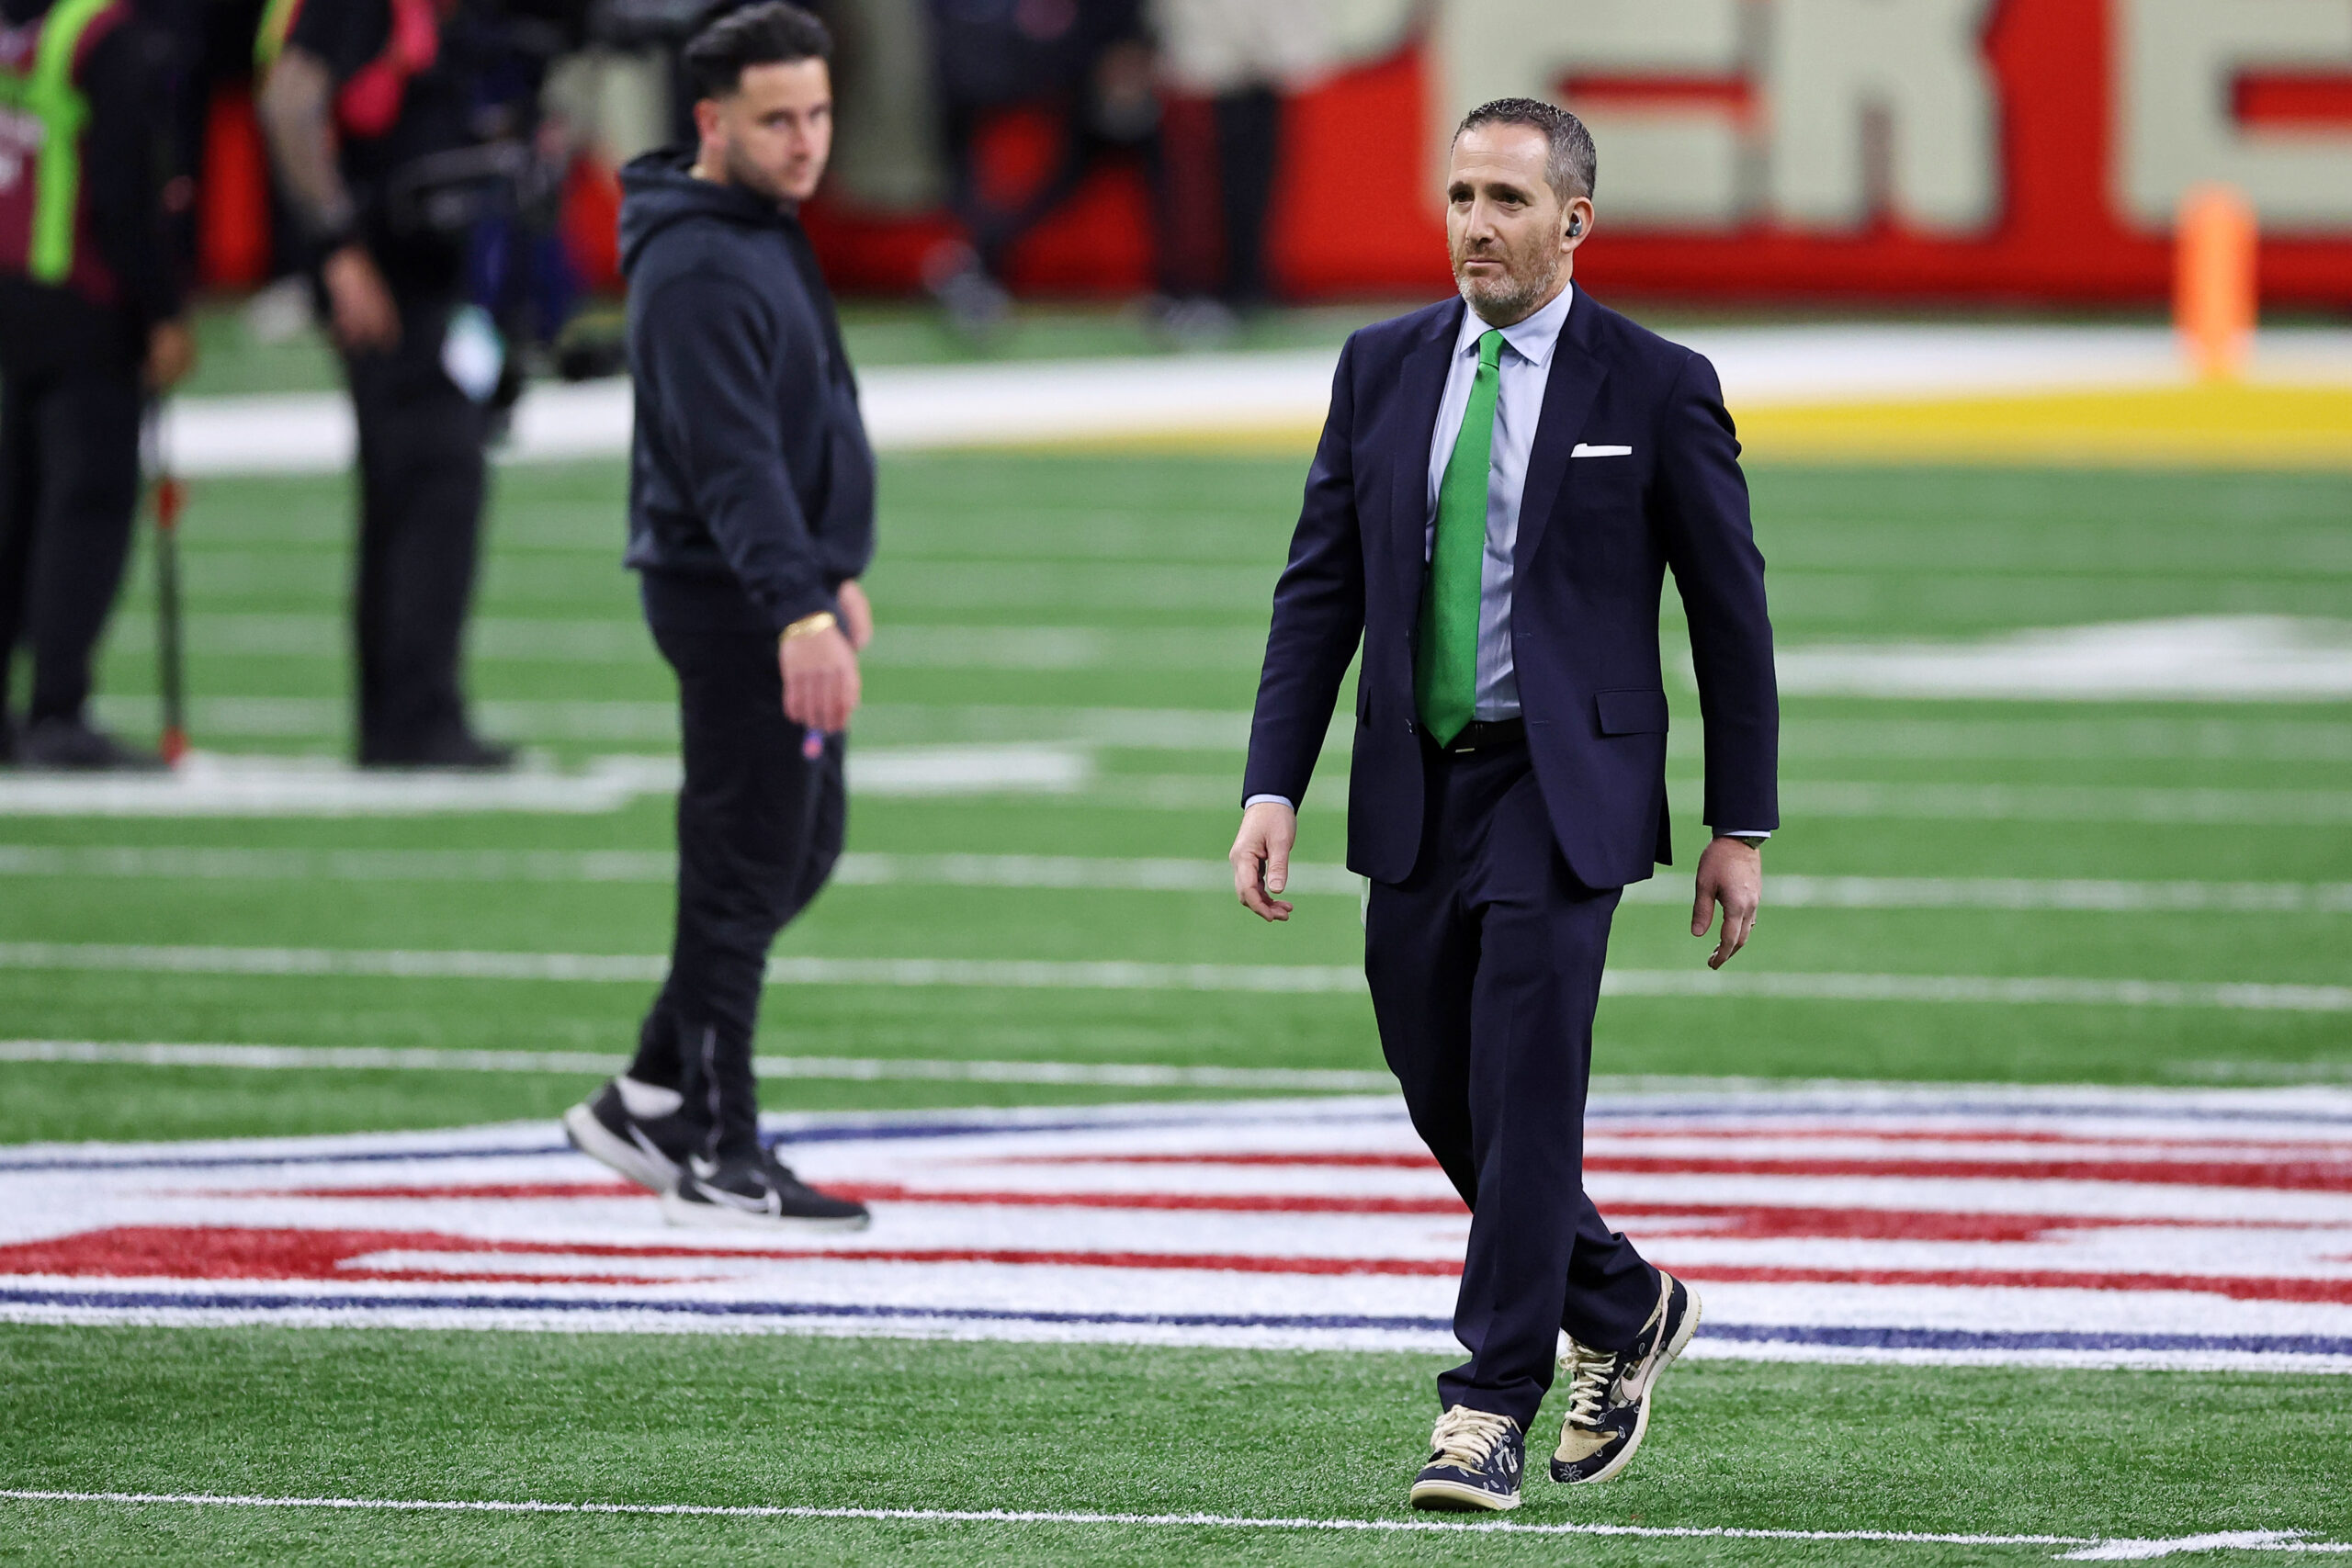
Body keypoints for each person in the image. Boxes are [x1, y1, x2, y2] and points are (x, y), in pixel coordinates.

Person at [1228, 98, 1778, 1512]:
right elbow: (1321, 587)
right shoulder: (1380, 365)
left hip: (1566, 786)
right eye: (1461, 194)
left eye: (1508, 201)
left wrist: (1741, 821)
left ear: (1574, 222)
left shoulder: (1656, 383)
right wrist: (1272, 780)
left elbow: (1731, 614)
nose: (1476, 223)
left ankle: (1484, 1403)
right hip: (1416, 779)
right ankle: (1627, 1294)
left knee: (1528, 1086)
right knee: (1439, 1081)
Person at [561, 1, 871, 1233]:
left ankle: (648, 1087)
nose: (806, 142)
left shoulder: (749, 220)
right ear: (710, 122)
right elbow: (728, 458)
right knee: (746, 862)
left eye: (819, 114)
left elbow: (792, 419)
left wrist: (828, 568)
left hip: (780, 586)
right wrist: (796, 604)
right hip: (736, 600)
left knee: (795, 844)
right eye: (777, 119)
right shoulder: (695, 257)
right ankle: (722, 1142)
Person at [255, 0, 569, 768]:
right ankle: (415, 717)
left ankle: (402, 713)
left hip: (420, 274)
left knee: (410, 488)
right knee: (433, 482)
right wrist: (335, 249)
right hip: (387, 278)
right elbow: (288, 101)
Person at [0, 0, 195, 769]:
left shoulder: (34, 26)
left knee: (18, 510)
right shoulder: (107, 35)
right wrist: (162, 310)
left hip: (17, 289)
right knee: (86, 508)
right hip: (85, 294)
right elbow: (124, 186)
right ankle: (58, 705)